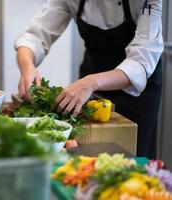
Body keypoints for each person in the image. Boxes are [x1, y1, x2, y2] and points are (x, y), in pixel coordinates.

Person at [15, 0, 163, 159]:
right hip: (91, 84)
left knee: (132, 160)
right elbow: (35, 36)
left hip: (136, 93)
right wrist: (27, 67)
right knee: (85, 155)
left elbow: (141, 61)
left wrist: (91, 82)